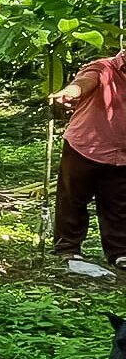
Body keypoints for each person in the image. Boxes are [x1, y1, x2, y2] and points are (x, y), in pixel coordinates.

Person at [48, 49, 126, 270]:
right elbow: (84, 82)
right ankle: (68, 249)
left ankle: (120, 252)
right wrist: (69, 92)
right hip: (86, 145)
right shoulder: (104, 67)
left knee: (119, 203)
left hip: (121, 152)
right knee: (73, 199)